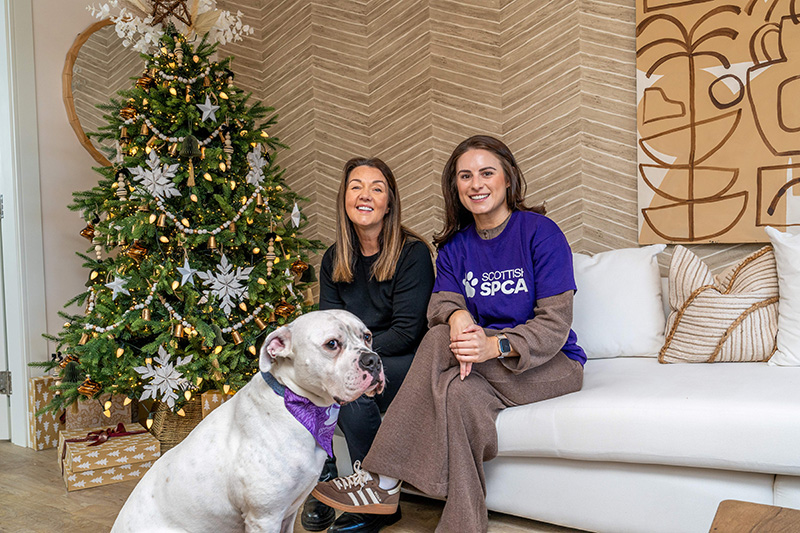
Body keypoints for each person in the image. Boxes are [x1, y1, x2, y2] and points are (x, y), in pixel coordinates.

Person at [312, 135, 586, 532]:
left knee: (438, 341)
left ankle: (382, 479)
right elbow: (441, 303)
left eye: (486, 173)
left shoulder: (540, 233)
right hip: (477, 364)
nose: (476, 183)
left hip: (549, 364)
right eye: (465, 176)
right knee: (457, 393)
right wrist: (456, 315)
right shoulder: (456, 246)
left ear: (507, 179)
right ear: (455, 188)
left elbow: (555, 324)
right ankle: (464, 523)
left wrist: (495, 344)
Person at [301, 157, 435, 533]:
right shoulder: (334, 258)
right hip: (355, 356)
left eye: (377, 188)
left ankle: (378, 499)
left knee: (356, 393)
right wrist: (341, 361)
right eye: (356, 186)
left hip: (403, 356)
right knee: (304, 383)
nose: (365, 194)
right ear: (344, 198)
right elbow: (329, 327)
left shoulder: (413, 254)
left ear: (389, 203)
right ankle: (321, 481)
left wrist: (354, 361)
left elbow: (408, 331)